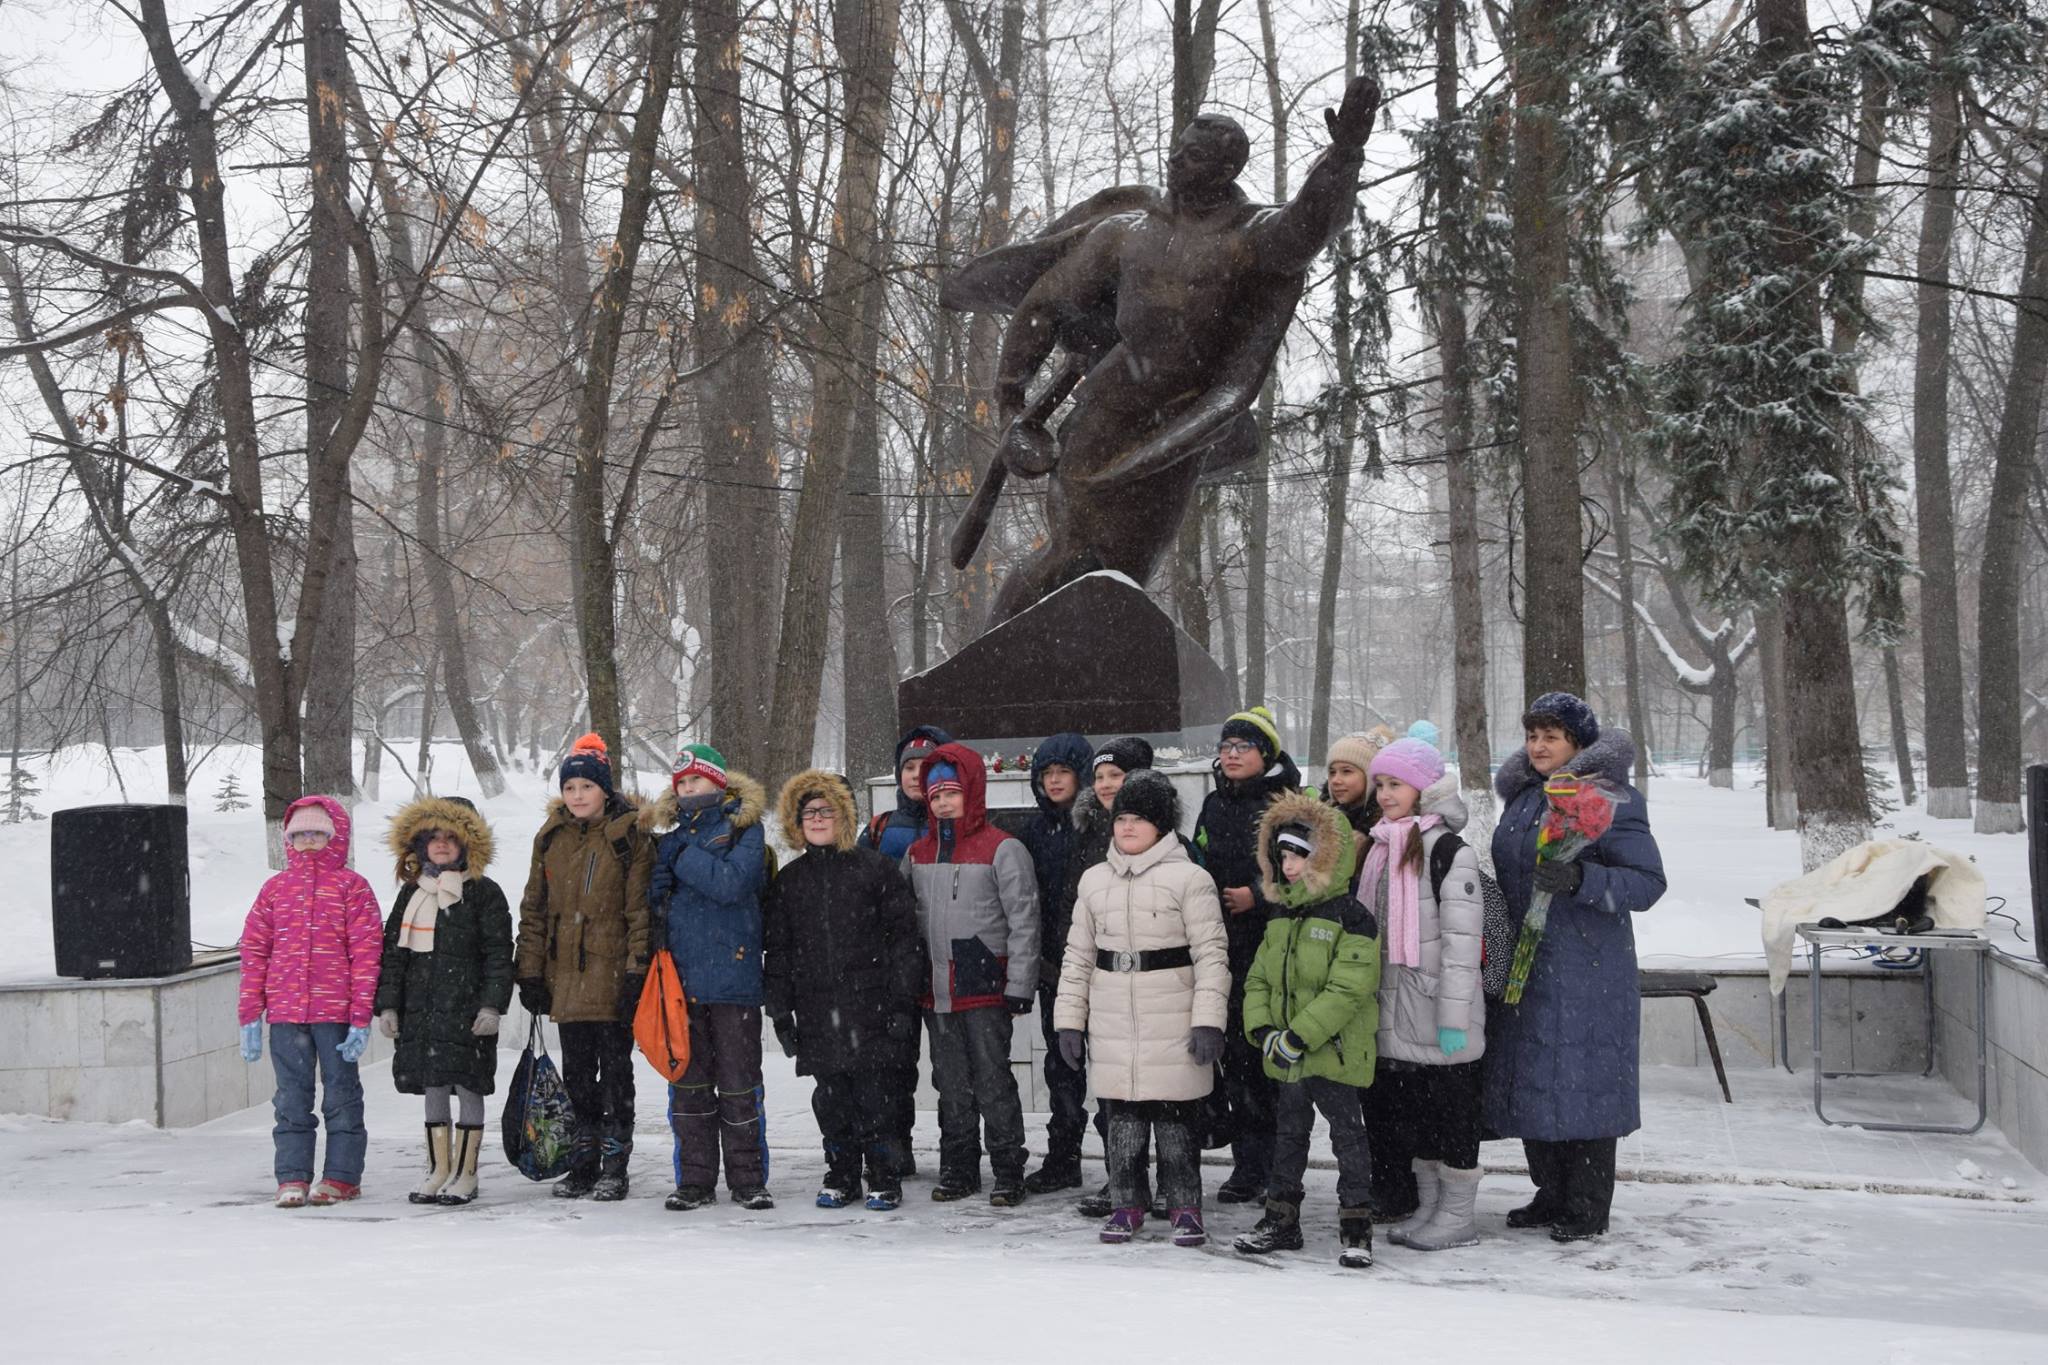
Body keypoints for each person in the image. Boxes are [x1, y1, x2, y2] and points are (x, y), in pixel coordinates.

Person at [1486, 691, 1665, 1242]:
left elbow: (1647, 883)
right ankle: (1551, 1192)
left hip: (1588, 968)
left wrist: (1584, 882)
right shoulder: (1524, 797)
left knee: (1583, 1082)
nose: (1539, 747)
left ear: (1578, 744)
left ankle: (1587, 1206)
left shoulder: (1611, 798)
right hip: (1528, 962)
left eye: (1552, 737)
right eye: (1533, 736)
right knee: (1534, 1080)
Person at [1054, 770, 1229, 1247]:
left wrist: (1209, 1019)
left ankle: (1184, 1206)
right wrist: (1069, 1020)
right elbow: (1077, 957)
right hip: (1113, 1017)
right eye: (1121, 818)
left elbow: (1211, 955)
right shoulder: (1094, 881)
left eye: (1139, 819)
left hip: (1172, 1014)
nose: (1127, 827)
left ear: (1161, 825)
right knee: (1123, 1123)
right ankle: (1126, 1203)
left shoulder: (1190, 878)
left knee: (1175, 1123)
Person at [764, 771, 927, 1211]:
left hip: (871, 1006)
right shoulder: (790, 881)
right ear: (797, 822)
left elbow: (904, 941)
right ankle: (840, 1173)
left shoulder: (875, 870)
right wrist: (780, 1012)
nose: (817, 819)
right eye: (809, 812)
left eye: (826, 811)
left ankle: (883, 1176)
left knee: (877, 1099)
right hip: (817, 1011)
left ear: (844, 816)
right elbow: (777, 950)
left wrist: (901, 1005)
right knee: (831, 1100)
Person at [1235, 792, 1382, 1268]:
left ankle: (1357, 1226)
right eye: (1282, 855)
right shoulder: (1282, 914)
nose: (1290, 865)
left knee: (1348, 1138)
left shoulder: (1352, 917)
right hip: (1287, 1054)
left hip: (1333, 1052)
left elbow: (1348, 988)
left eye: (1299, 854)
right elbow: (1259, 977)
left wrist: (1298, 1036)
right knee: (1289, 1136)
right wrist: (1263, 1032)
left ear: (1324, 856)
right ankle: (1280, 1220)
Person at [514, 733, 654, 1202]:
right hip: (567, 982)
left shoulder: (628, 835)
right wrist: (529, 971)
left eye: (586, 787)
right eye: (570, 787)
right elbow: (534, 910)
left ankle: (615, 1163)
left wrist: (637, 970)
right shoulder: (550, 838)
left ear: (605, 790)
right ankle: (583, 1160)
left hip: (613, 978)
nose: (577, 795)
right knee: (576, 1076)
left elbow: (640, 912)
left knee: (615, 1074)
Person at [1360, 739, 1487, 1250]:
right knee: (1420, 1116)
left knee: (1454, 1114)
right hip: (1399, 1004)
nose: (1386, 795)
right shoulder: (1382, 846)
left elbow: (1461, 946)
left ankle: (1458, 1217)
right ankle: (1432, 1207)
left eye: (1396, 785)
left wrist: (1455, 1019)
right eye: (1382, 785)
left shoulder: (1449, 853)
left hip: (1439, 1006)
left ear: (1423, 789)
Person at [903, 743, 1040, 1205]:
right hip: (935, 991)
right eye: (935, 793)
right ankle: (959, 1168)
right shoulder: (918, 853)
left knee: (993, 1081)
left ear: (972, 792)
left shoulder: (1003, 848)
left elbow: (1023, 920)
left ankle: (1007, 1169)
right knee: (950, 1085)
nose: (943, 801)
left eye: (952, 792)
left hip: (983, 986)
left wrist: (1020, 984)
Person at [644, 742, 774, 1211]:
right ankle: (695, 1182)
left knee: (740, 1087)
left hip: (734, 982)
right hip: (682, 985)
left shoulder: (745, 830)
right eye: (680, 783)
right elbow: (657, 901)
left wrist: (681, 862)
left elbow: (731, 884)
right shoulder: (670, 838)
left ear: (717, 783)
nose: (686, 788)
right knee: (690, 1089)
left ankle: (748, 1181)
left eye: (694, 780)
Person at [236, 795, 383, 1207]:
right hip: (285, 1015)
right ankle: (292, 1176)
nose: (308, 843)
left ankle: (341, 1176)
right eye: (299, 835)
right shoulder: (275, 890)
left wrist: (360, 1016)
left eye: (317, 834)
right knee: (291, 1099)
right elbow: (254, 952)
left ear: (335, 838)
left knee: (341, 1097)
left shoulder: (352, 888)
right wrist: (251, 1014)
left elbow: (367, 953)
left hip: (334, 1015)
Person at [373, 795, 514, 1207]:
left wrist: (492, 1005)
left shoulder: (483, 893)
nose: (441, 844)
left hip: (467, 1010)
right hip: (422, 1010)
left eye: (450, 837)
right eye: (432, 837)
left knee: (468, 1084)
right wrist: (389, 1005)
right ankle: (438, 1168)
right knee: (433, 1083)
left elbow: (498, 954)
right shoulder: (411, 895)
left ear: (467, 844)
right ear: (419, 844)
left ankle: (466, 1173)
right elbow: (393, 955)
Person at [1192, 705, 1301, 1203]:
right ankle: (1246, 1165)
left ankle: (1278, 1168)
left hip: (1271, 946)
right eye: (1226, 747)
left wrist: (1257, 897)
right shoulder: (1214, 804)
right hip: (1221, 948)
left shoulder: (1287, 803)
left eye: (1243, 748)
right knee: (1235, 1062)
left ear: (1266, 755)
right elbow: (1198, 855)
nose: (1232, 756)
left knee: (1268, 1064)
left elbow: (1305, 868)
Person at [1061, 736, 1164, 1217]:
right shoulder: (1085, 831)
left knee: (1163, 1095)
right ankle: (1122, 1179)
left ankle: (1171, 1180)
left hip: (1156, 985)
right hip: (1104, 982)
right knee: (1114, 1093)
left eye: (1116, 776)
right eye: (1099, 776)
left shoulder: (1161, 835)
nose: (1105, 785)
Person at [861, 722, 952, 1175]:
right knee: (894, 1064)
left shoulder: (958, 822)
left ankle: (959, 1152)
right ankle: (895, 1146)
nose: (917, 775)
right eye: (909, 767)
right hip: (892, 967)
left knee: (951, 1067)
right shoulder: (879, 829)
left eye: (926, 765)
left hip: (943, 963)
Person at [1017, 730, 1093, 1194]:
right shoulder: (1035, 832)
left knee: (1109, 1066)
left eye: (1064, 771)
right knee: (1061, 1068)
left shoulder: (1099, 827)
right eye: (1047, 773)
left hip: (1099, 967)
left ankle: (1123, 1160)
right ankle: (1063, 1155)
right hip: (1054, 968)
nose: (1055, 780)